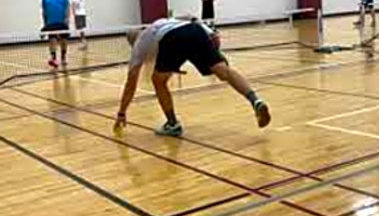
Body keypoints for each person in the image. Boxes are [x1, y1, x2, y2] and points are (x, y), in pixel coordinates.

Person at [113, 17, 271, 137]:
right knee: (224, 71)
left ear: (131, 42)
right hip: (196, 30)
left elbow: (131, 83)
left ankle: (172, 124)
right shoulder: (160, 24)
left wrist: (121, 112)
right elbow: (192, 24)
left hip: (173, 38)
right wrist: (214, 46)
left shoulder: (139, 45)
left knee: (158, 81)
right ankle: (255, 100)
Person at [41, 0, 70, 68]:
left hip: (62, 22)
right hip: (51, 23)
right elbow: (44, 11)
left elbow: (67, 7)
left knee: (64, 41)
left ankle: (63, 58)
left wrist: (67, 19)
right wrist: (45, 24)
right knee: (52, 41)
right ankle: (54, 59)